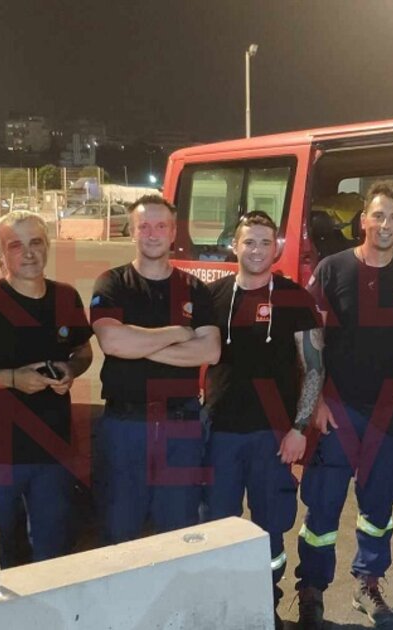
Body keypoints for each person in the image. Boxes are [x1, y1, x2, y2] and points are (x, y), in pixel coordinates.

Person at [295, 182, 393, 628]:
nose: (385, 224)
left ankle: (368, 583)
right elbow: (311, 340)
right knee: (322, 505)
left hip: (387, 415)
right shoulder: (332, 269)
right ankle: (311, 588)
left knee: (378, 508)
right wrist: (315, 400)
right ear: (363, 220)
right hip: (337, 410)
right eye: (378, 215)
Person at [0, 210, 93, 565]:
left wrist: (70, 369)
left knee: (54, 554)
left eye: (35, 242)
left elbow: (83, 351)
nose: (28, 252)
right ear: (0, 252)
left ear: (48, 246)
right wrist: (11, 379)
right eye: (15, 245)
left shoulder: (66, 297)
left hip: (53, 450)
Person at [202, 211, 323, 622]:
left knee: (270, 528)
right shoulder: (212, 297)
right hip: (220, 432)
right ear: (234, 246)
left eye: (265, 242)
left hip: (274, 436)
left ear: (277, 249)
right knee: (218, 525)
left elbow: (314, 367)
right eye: (249, 242)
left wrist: (299, 428)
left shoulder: (294, 298)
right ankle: (224, 607)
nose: (256, 250)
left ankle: (264, 604)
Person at [90, 195, 220, 545]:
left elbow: (210, 350)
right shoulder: (112, 283)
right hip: (125, 426)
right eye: (143, 226)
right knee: (120, 531)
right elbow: (112, 343)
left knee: (179, 533)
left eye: (161, 225)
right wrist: (177, 333)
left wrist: (139, 345)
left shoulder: (195, 289)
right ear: (132, 232)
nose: (152, 233)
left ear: (173, 232)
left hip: (181, 427)